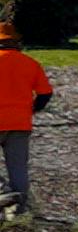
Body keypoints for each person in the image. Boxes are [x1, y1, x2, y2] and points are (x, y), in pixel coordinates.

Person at [0, 35, 47, 217]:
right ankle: (18, 213)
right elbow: (45, 94)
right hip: (20, 123)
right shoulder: (30, 63)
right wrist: (31, 110)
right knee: (18, 168)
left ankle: (4, 193)